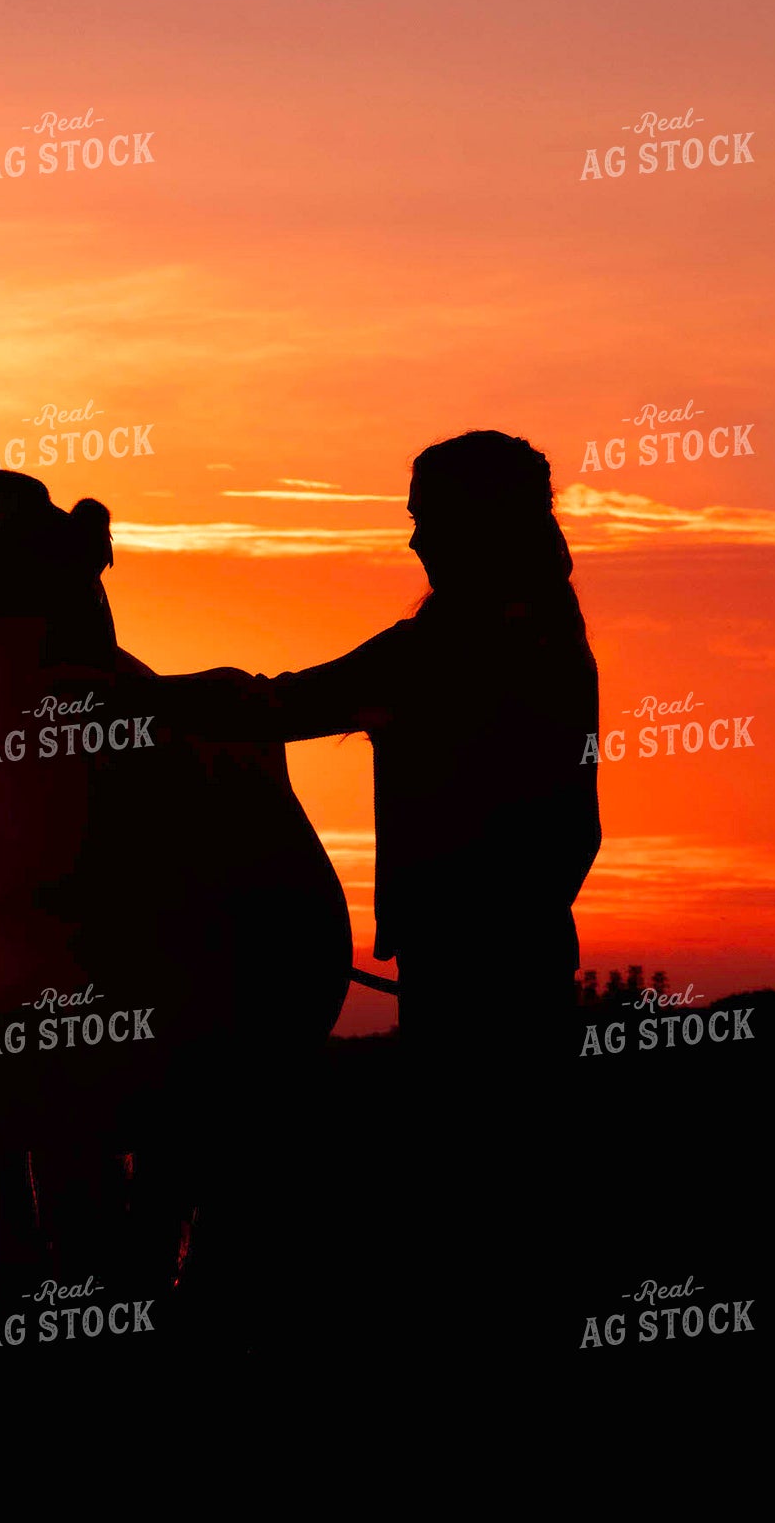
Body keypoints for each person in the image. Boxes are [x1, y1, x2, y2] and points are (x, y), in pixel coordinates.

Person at [156, 430, 601, 1072]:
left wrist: (128, 693)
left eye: (426, 520)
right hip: (533, 952)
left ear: (471, 524)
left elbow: (274, 709)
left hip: (459, 966)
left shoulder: (437, 653)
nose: (415, 541)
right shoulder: (554, 640)